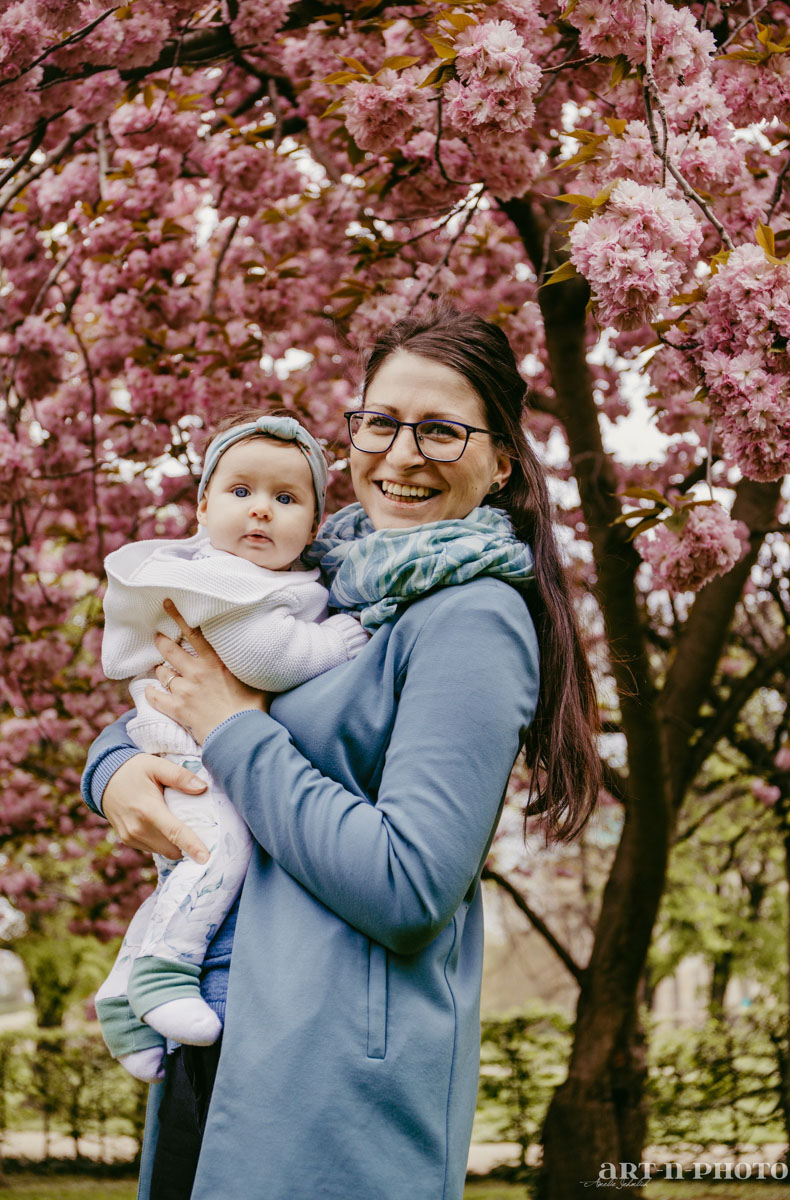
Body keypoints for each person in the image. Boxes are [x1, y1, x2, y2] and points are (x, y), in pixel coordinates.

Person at [82, 306, 601, 1200]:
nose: (402, 456)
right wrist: (113, 770)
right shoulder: (319, 579)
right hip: (220, 1023)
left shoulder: (471, 616)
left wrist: (233, 730)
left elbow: (407, 887)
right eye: (382, 422)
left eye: (442, 430)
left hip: (322, 1069)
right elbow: (178, 679)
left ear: (503, 458)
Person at [94, 412, 367, 1086]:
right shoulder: (216, 578)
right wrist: (338, 642)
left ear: (312, 523)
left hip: (201, 740)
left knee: (186, 867)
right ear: (202, 505)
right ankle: (167, 970)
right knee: (220, 851)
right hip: (186, 740)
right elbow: (265, 659)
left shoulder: (266, 579)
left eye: (286, 498)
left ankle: (122, 992)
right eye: (240, 491)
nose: (261, 512)